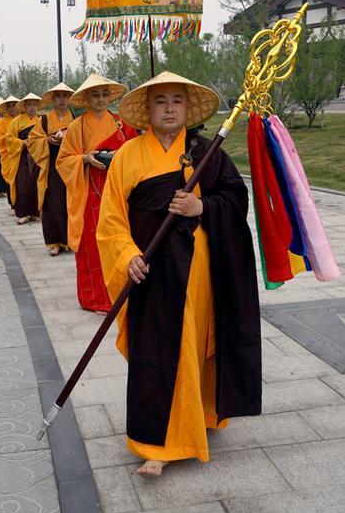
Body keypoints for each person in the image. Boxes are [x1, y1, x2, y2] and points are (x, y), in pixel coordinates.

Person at [96, 71, 261, 476]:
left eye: (176, 101)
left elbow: (234, 197)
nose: (168, 108)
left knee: (195, 342)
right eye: (160, 101)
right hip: (151, 273)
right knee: (157, 350)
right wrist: (127, 256)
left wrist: (201, 208)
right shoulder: (128, 157)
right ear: (147, 110)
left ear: (188, 109)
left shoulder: (208, 152)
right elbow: (111, 221)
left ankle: (202, 415)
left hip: (200, 272)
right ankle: (158, 443)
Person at [57, 73, 136, 313]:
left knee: (118, 241)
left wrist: (119, 158)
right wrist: (86, 158)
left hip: (118, 190)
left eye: (104, 94)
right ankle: (95, 299)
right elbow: (63, 161)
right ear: (87, 98)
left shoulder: (121, 123)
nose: (101, 99)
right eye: (95, 95)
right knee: (92, 246)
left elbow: (134, 151)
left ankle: (120, 293)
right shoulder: (77, 127)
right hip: (91, 191)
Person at [28, 82, 75, 255]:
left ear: (69, 99)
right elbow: (33, 141)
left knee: (70, 202)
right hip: (51, 164)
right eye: (58, 96)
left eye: (65, 96)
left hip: (71, 166)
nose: (62, 100)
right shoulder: (45, 120)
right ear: (53, 99)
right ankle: (54, 242)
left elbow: (81, 142)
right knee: (52, 203)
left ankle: (70, 240)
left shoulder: (76, 120)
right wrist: (47, 141)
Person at [4, 93, 43, 224]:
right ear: (25, 107)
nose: (32, 108)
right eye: (29, 105)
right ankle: (23, 213)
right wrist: (22, 143)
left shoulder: (41, 120)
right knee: (23, 183)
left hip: (38, 157)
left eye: (35, 105)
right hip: (21, 157)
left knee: (37, 182)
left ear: (38, 106)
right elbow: (9, 138)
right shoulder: (17, 121)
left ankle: (35, 212)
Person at [0, 95, 20, 208]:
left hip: (22, 153)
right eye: (9, 106)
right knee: (11, 178)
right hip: (9, 154)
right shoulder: (3, 122)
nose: (11, 108)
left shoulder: (23, 118)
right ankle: (13, 204)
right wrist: (9, 138)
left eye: (13, 105)